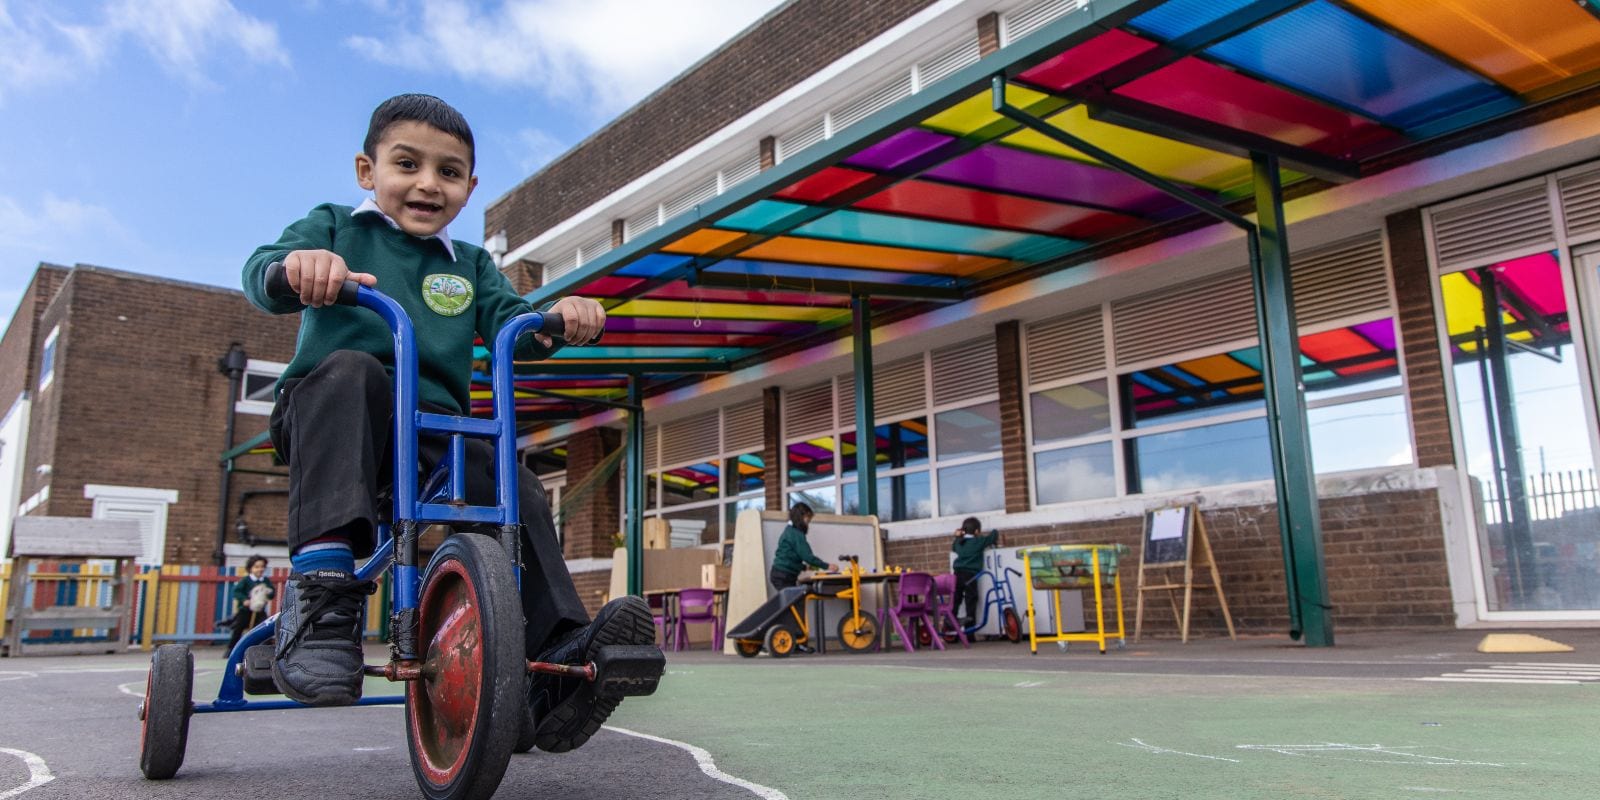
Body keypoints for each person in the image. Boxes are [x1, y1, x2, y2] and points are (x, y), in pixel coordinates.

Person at [241, 93, 652, 754]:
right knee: (354, 371)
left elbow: (513, 322)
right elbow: (262, 273)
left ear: (469, 187)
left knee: (505, 475)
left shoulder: (469, 265)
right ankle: (320, 601)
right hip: (333, 418)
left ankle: (557, 659)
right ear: (367, 171)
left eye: (449, 172)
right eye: (408, 163)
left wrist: (557, 319)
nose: (429, 183)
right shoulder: (336, 227)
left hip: (430, 437)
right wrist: (296, 269)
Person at [768, 503, 835, 589]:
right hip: (784, 575)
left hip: (780, 573)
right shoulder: (796, 534)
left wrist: (805, 567)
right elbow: (808, 557)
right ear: (800, 517)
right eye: (808, 520)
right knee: (795, 601)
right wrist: (827, 566)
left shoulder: (789, 530)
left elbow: (789, 556)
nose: (808, 524)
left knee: (792, 600)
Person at [950, 517, 999, 629]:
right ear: (977, 531)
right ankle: (970, 631)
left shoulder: (959, 543)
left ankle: (951, 622)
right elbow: (993, 536)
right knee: (971, 599)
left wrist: (958, 536)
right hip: (970, 575)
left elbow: (953, 547)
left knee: (956, 598)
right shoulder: (978, 541)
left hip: (957, 574)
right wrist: (994, 529)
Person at [225, 555, 276, 652]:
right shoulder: (246, 580)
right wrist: (244, 600)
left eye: (262, 567)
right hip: (245, 611)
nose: (260, 569)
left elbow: (271, 593)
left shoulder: (265, 581)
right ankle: (231, 649)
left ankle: (265, 649)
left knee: (265, 627)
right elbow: (237, 591)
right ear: (250, 568)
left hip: (259, 610)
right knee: (238, 627)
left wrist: (268, 594)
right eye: (257, 567)